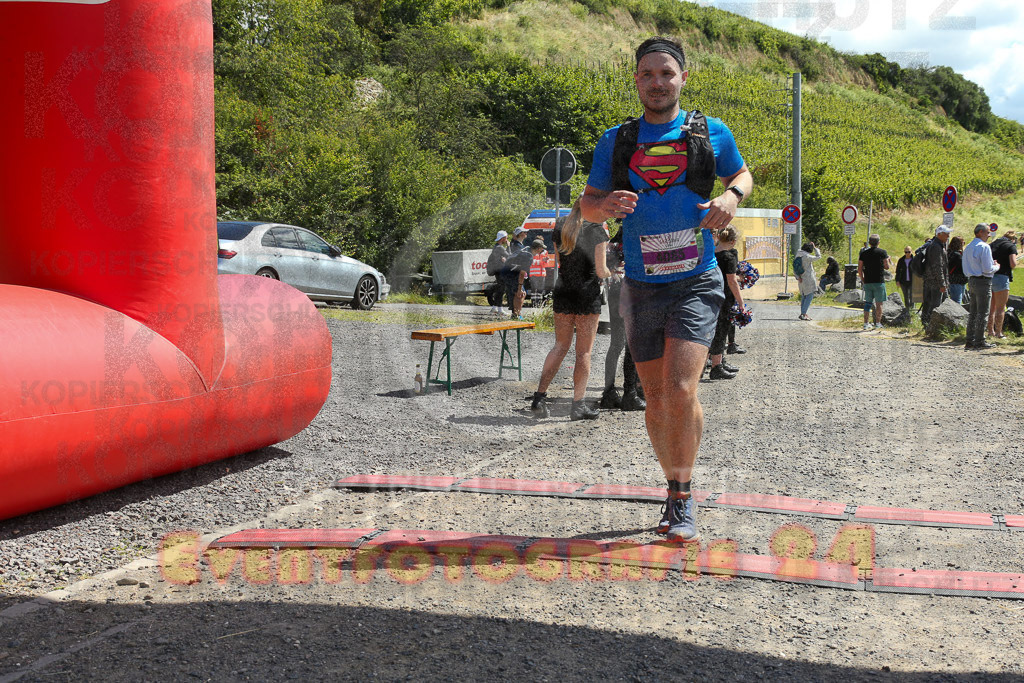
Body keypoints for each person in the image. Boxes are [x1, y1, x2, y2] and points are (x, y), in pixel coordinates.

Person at [579, 36, 753, 543]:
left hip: (696, 280)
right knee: (655, 396)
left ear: (682, 78)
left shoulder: (710, 132)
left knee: (680, 389)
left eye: (666, 74)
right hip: (640, 285)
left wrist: (731, 196)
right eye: (647, 74)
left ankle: (682, 494)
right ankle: (670, 485)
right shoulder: (616, 141)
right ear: (636, 80)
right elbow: (587, 206)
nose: (657, 83)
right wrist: (606, 206)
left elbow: (741, 173)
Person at [530, 201, 611, 420]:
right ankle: (578, 405)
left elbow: (559, 261)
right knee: (583, 352)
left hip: (564, 290)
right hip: (587, 295)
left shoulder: (561, 227)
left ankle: (539, 397)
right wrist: (615, 272)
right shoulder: (597, 229)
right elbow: (602, 271)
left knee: (559, 346)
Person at [600, 230, 646, 411]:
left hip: (615, 289)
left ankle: (609, 392)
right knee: (632, 344)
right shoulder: (637, 240)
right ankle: (630, 393)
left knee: (617, 344)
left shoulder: (613, 244)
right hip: (631, 290)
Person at [707, 226, 745, 378]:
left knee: (712, 330)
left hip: (711, 295)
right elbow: (732, 281)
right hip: (725, 296)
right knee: (721, 331)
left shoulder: (711, 253)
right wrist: (741, 302)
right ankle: (716, 366)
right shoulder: (729, 256)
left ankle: (718, 361)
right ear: (733, 241)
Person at [962, 223, 999, 350]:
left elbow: (966, 266)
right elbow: (987, 269)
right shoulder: (984, 247)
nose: (989, 235)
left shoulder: (968, 247)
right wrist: (997, 266)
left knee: (973, 312)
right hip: (983, 281)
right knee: (983, 312)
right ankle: (979, 341)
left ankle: (970, 339)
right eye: (987, 232)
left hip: (971, 280)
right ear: (980, 232)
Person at [988, 229, 1018, 338]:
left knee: (991, 307)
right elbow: (1013, 264)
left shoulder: (993, 244)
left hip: (989, 276)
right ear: (1013, 239)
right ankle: (998, 332)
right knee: (1000, 308)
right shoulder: (1011, 246)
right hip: (1002, 276)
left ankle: (990, 331)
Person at [857, 234, 890, 330]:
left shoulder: (863, 253)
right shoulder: (882, 252)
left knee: (868, 303)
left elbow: (859, 269)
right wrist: (887, 260)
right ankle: (878, 323)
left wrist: (863, 279)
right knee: (879, 304)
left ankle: (866, 323)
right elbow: (887, 267)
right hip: (879, 281)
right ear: (878, 242)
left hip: (868, 281)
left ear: (869, 243)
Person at [921, 225, 950, 325]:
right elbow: (938, 267)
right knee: (936, 306)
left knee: (929, 304)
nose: (948, 236)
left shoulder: (936, 245)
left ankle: (927, 324)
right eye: (946, 234)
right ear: (939, 234)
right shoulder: (937, 247)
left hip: (931, 280)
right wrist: (942, 283)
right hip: (935, 282)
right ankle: (932, 326)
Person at [509, 239, 545, 319]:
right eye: (542, 248)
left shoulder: (527, 250)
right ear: (538, 248)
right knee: (520, 293)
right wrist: (519, 287)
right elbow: (522, 273)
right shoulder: (529, 256)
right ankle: (516, 314)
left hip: (511, 272)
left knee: (521, 293)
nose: (542, 250)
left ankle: (516, 314)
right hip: (511, 273)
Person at [795, 241, 821, 321]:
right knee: (809, 296)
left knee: (804, 296)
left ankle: (803, 313)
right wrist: (815, 248)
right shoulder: (807, 256)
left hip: (800, 278)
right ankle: (803, 313)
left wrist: (797, 277)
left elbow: (795, 268)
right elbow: (818, 256)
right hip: (808, 278)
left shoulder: (798, 254)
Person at [486, 230, 510, 315]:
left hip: (497, 271)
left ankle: (495, 308)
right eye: (506, 237)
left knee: (500, 289)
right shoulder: (500, 248)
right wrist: (509, 246)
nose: (507, 239)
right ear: (502, 238)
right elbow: (509, 256)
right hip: (500, 271)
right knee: (501, 290)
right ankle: (500, 309)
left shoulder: (496, 247)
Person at [528, 239, 550, 307]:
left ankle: (539, 303)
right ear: (537, 247)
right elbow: (531, 262)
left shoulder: (545, 252)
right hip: (533, 274)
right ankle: (534, 303)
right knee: (534, 290)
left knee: (540, 289)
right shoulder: (531, 252)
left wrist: (545, 261)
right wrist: (541, 261)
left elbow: (547, 262)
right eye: (541, 247)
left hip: (542, 274)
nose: (542, 248)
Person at [946, 236, 968, 305]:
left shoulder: (949, 252)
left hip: (952, 279)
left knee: (956, 300)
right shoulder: (957, 255)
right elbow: (963, 266)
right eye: (962, 243)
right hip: (957, 280)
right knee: (957, 302)